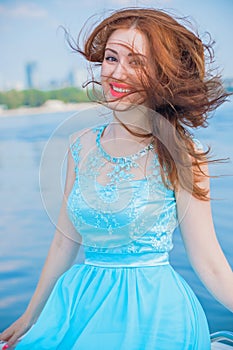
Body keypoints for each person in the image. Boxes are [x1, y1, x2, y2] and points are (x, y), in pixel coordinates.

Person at [0, 7, 233, 350]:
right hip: (80, 304)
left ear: (161, 74)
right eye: (111, 58)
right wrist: (30, 316)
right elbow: (65, 242)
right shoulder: (78, 145)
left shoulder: (182, 153)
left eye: (136, 62)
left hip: (153, 313)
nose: (117, 72)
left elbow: (209, 262)